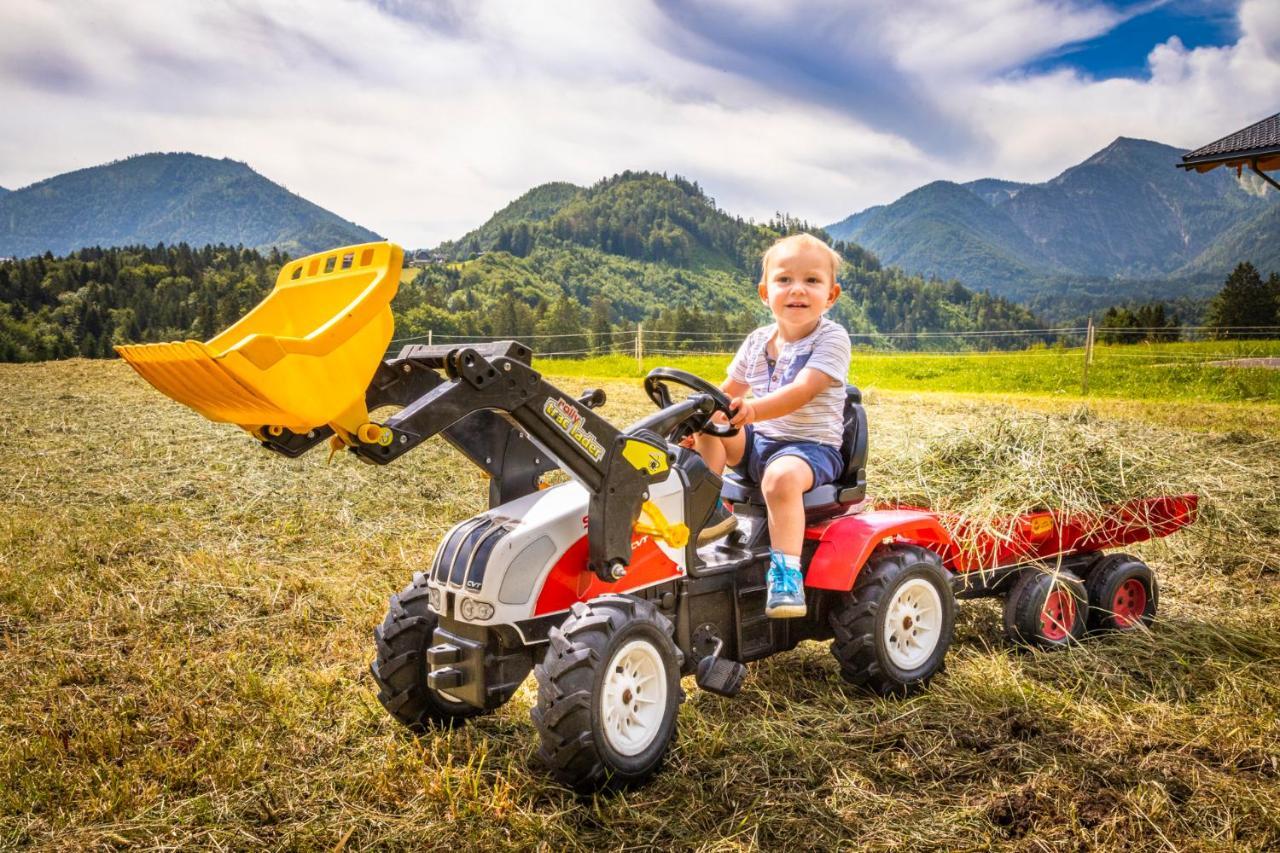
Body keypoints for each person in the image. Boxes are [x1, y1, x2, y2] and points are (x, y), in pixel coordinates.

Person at [693, 233, 851, 618]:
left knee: (779, 479)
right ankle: (708, 510)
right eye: (785, 280)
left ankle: (786, 576)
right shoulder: (757, 341)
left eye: (812, 280)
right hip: (759, 442)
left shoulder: (832, 338)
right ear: (766, 292)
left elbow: (803, 390)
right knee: (709, 421)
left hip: (810, 450)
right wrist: (695, 416)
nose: (797, 289)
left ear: (831, 295)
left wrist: (752, 410)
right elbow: (725, 393)